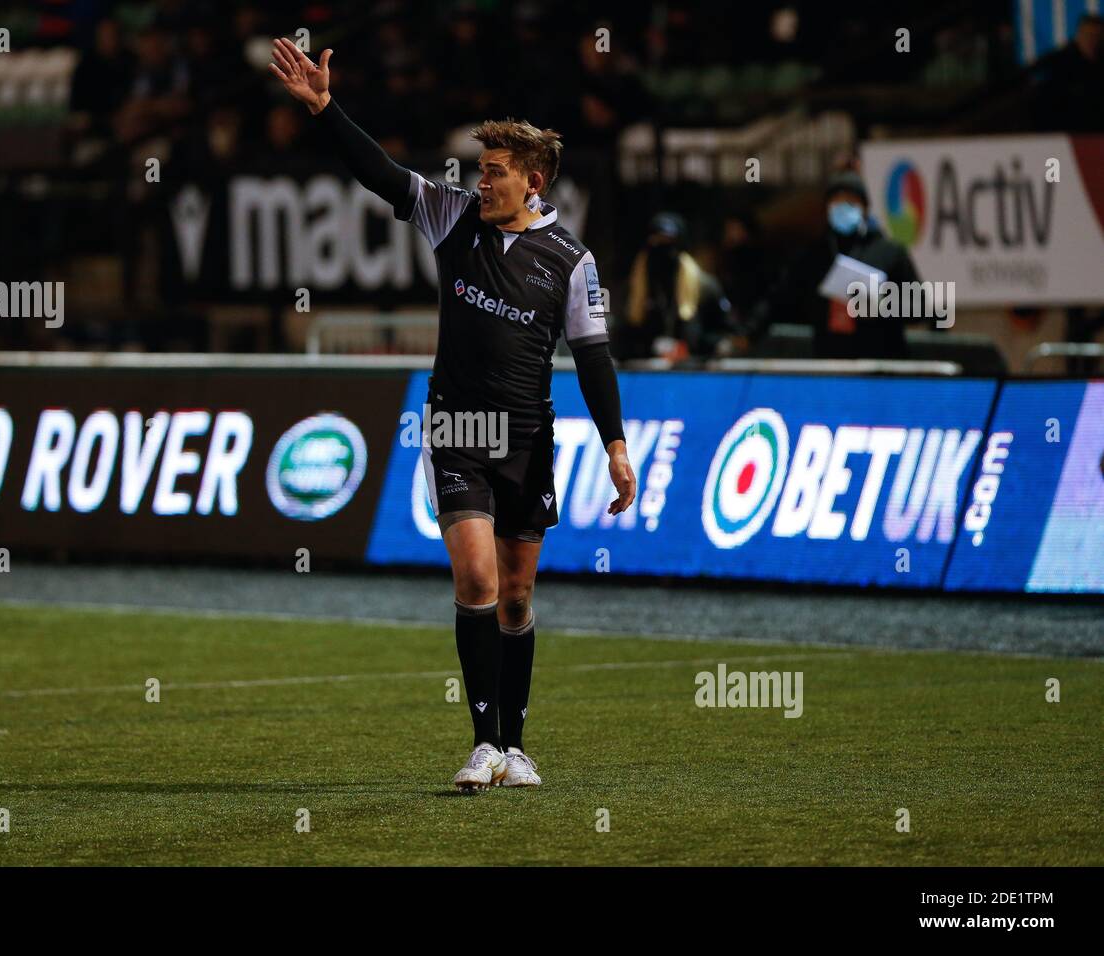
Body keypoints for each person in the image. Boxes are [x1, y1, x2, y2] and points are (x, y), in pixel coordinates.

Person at [269, 38, 636, 792]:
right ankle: (481, 745)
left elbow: (594, 358)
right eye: (480, 170)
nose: (481, 182)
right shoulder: (451, 218)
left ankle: (517, 744)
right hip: (458, 431)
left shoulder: (572, 259)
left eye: (495, 173)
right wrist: (324, 109)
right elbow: (378, 174)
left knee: (519, 592)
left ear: (533, 181)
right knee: (476, 580)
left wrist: (617, 447)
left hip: (528, 435)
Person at [752, 170, 923, 360]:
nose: (843, 208)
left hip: (882, 363)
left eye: (850, 201)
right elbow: (779, 299)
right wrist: (749, 332)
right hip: (831, 363)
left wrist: (882, 305)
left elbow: (920, 307)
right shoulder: (814, 257)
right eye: (836, 202)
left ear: (865, 208)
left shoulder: (890, 253)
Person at [615, 212, 731, 362]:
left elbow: (723, 333)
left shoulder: (705, 286)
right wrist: (651, 346)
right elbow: (621, 337)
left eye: (668, 241)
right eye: (656, 240)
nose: (662, 248)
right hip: (646, 375)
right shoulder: (634, 286)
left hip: (693, 372)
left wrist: (693, 347)